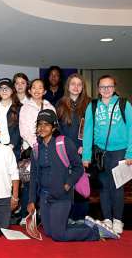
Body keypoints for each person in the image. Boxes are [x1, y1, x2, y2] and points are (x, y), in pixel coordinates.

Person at [28, 109, 118, 241]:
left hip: (61, 196)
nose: (42, 127)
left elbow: (78, 167)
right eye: (40, 124)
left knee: (58, 236)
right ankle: (77, 224)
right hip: (45, 197)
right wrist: (31, 200)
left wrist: (67, 185)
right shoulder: (35, 149)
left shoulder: (63, 143)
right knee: (49, 232)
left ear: (53, 127)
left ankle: (95, 232)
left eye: (47, 124)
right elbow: (34, 175)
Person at [82, 75, 132, 235]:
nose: (106, 90)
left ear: (114, 87)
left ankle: (118, 220)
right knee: (103, 187)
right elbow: (87, 131)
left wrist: (130, 152)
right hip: (100, 153)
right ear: (98, 89)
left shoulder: (124, 104)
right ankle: (107, 219)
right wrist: (86, 156)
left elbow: (131, 128)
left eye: (109, 86)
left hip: (120, 151)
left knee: (117, 186)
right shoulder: (93, 106)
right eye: (102, 87)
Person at [18, 78, 55, 225]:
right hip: (32, 149)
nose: (37, 90)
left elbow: (54, 127)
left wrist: (46, 143)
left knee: (45, 181)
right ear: (29, 90)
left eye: (40, 87)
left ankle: (42, 215)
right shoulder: (25, 107)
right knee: (29, 183)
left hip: (47, 148)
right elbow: (24, 131)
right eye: (34, 87)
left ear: (44, 91)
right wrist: (37, 144)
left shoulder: (50, 106)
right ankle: (25, 216)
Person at [56, 73, 91, 222]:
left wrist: (85, 147)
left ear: (83, 87)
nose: (76, 87)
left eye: (79, 84)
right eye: (73, 84)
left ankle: (81, 218)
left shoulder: (90, 104)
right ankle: (67, 217)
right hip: (65, 152)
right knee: (66, 185)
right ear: (68, 86)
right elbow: (58, 129)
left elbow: (91, 129)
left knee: (81, 186)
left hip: (83, 151)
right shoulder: (60, 104)